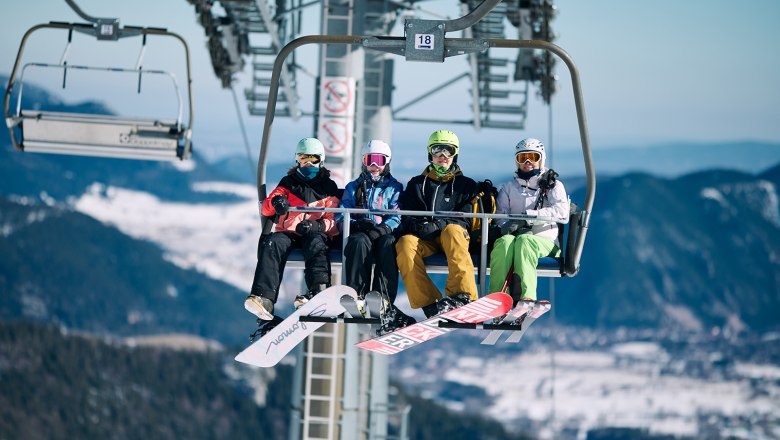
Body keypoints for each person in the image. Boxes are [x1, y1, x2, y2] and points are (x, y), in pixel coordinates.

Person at [244, 137, 340, 323]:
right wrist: (277, 203)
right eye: (304, 159)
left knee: (316, 243)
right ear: (297, 160)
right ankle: (264, 297)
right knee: (272, 242)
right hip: (288, 231)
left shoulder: (328, 187)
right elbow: (266, 208)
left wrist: (316, 225)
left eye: (313, 159)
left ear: (321, 160)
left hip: (313, 232)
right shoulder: (288, 182)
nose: (308, 164)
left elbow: (334, 222)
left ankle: (317, 291)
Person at [396, 129, 479, 318]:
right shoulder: (417, 184)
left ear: (455, 154)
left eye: (448, 151)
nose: (442, 156)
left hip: (455, 237)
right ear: (429, 153)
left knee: (452, 231)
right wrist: (419, 228)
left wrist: (439, 225)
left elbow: (465, 217)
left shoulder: (465, 185)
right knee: (405, 243)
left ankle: (462, 295)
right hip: (427, 240)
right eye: (437, 150)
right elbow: (407, 215)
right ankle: (429, 303)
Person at [338, 140, 415, 332]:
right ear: (363, 162)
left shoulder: (393, 187)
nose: (374, 166)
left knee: (388, 244)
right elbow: (341, 213)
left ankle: (383, 297)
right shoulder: (353, 187)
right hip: (361, 231)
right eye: (369, 160)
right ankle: (358, 294)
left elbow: (397, 215)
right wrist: (356, 224)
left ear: (386, 162)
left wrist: (382, 229)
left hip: (384, 233)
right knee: (358, 241)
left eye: (378, 161)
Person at [489, 137, 570, 304]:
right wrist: (507, 227)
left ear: (541, 159)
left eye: (533, 157)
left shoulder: (553, 186)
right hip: (516, 238)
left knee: (525, 241)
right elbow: (499, 215)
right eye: (522, 158)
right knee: (504, 243)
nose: (527, 162)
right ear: (516, 161)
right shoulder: (509, 188)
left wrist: (529, 217)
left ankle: (525, 296)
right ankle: (498, 297)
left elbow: (561, 211)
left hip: (546, 242)